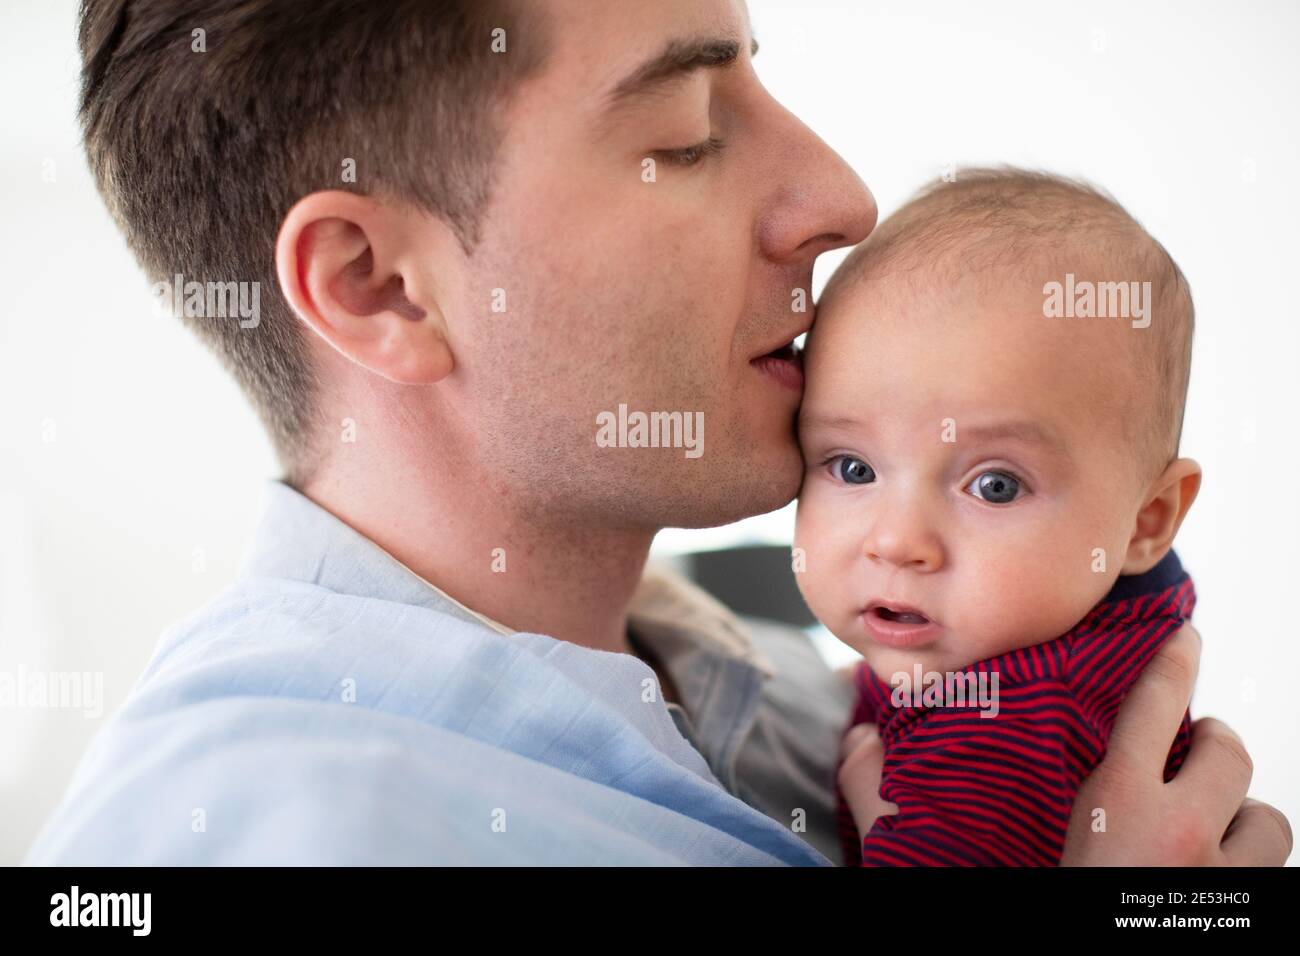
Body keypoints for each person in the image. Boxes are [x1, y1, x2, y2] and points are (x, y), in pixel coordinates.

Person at [27, 0, 1291, 865]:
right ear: (379, 284)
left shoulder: (792, 696)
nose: (839, 198)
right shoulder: (265, 833)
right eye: (684, 138)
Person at [795, 168, 1203, 864]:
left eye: (995, 487)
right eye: (854, 469)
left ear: (1145, 522)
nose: (898, 542)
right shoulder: (1046, 650)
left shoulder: (1005, 721)